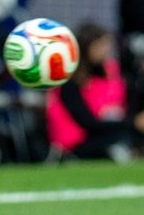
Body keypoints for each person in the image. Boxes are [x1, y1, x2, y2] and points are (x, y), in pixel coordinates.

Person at [46, 23, 144, 162]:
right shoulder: (69, 82)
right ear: (86, 47)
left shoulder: (106, 75)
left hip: (100, 134)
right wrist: (133, 123)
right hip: (74, 145)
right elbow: (88, 123)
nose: (106, 51)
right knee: (123, 135)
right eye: (100, 46)